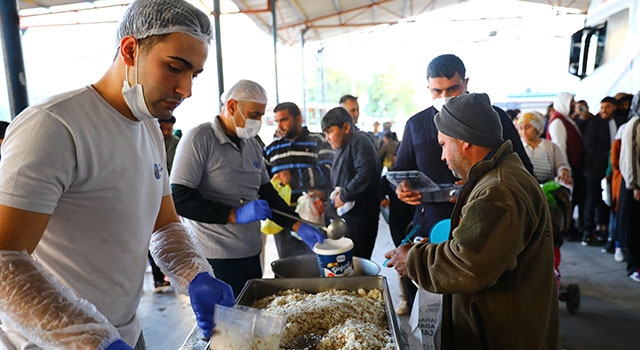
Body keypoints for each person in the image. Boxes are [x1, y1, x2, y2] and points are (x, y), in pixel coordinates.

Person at [0, 1, 235, 349]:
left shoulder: (149, 130)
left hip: (125, 331)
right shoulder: (55, 126)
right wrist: (89, 339)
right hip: (52, 343)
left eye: (194, 75)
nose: (186, 89)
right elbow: (4, 260)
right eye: (175, 67)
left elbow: (164, 223)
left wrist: (194, 273)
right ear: (130, 50)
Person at [384, 93, 560, 349]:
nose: (442, 156)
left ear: (464, 141)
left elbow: (467, 264)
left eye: (443, 145)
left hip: (502, 336)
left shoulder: (498, 191)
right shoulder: (499, 176)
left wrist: (412, 259)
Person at [170, 80, 325, 296]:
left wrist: (298, 225)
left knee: (249, 314)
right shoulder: (199, 139)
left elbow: (268, 194)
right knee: (225, 323)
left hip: (250, 253)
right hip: (215, 258)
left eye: (261, 115)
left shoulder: (252, 143)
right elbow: (179, 198)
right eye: (254, 114)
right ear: (232, 106)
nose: (258, 121)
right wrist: (233, 215)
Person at [263, 102, 334, 258]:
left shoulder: (319, 140)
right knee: (289, 268)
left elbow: (330, 172)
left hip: (315, 217)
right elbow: (264, 184)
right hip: (285, 221)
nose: (279, 126)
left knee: (319, 263)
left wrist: (294, 177)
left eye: (284, 120)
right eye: (277, 121)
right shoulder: (271, 150)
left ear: (299, 119)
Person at [321, 107, 381, 259]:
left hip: (359, 218)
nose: (327, 138)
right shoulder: (342, 146)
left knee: (357, 261)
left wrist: (344, 196)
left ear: (346, 127)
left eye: (330, 132)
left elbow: (367, 172)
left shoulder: (359, 140)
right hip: (346, 217)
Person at [148, 115, 181, 293]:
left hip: (170, 194)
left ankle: (171, 274)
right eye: (163, 129)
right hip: (151, 192)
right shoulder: (149, 140)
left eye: (169, 129)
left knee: (170, 232)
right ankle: (158, 278)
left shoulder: (176, 143)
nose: (166, 132)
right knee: (152, 236)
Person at [547, 92, 584, 240]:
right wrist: (565, 169)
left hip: (571, 166)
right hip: (566, 168)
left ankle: (568, 226)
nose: (574, 106)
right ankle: (565, 229)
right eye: (571, 103)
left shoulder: (566, 120)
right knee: (566, 200)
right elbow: (560, 148)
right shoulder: (558, 122)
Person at [581, 96, 616, 246]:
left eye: (607, 107)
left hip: (611, 169)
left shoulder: (618, 122)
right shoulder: (594, 123)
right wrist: (608, 154)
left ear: (614, 107)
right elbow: (589, 146)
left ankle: (603, 230)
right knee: (592, 199)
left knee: (606, 200)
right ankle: (587, 232)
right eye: (602, 107)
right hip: (594, 169)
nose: (603, 110)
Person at [618, 90, 640, 281]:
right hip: (634, 186)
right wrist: (635, 185)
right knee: (633, 226)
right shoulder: (635, 124)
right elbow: (631, 158)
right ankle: (633, 267)